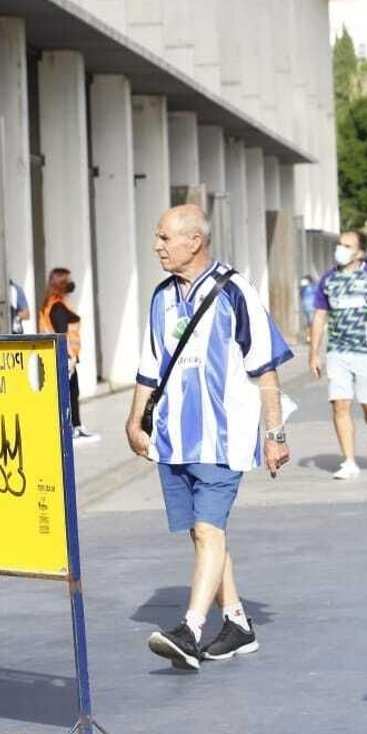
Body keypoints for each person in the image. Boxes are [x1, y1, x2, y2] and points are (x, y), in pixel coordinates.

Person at [128, 204, 293, 669]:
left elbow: (265, 366)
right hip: (174, 436)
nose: (157, 246)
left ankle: (191, 628)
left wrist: (274, 432)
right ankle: (238, 623)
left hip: (224, 435)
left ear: (194, 241)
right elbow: (149, 365)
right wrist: (134, 419)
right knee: (203, 536)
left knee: (208, 528)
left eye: (164, 238)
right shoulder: (161, 297)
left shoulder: (235, 290)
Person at [308, 231, 367, 480]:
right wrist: (314, 353)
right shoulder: (328, 279)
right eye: (339, 244)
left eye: (347, 246)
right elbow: (319, 317)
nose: (340, 249)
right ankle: (349, 461)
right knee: (340, 404)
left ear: (359, 253)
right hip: (338, 351)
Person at [39, 269, 96, 444]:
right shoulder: (57, 307)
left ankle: (75, 425)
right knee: (68, 393)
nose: (72, 283)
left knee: (72, 392)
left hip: (63, 357)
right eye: (68, 280)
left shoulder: (54, 303)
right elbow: (62, 334)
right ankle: (70, 427)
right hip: (65, 358)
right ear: (61, 283)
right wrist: (70, 359)